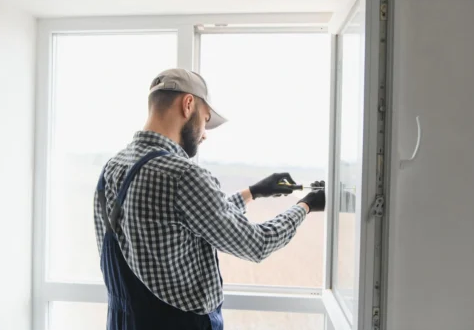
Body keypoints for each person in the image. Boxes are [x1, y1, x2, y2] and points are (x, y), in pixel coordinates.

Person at [93, 68, 326, 330]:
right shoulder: (182, 174)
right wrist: (305, 205)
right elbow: (257, 244)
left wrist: (253, 192)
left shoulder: (112, 168)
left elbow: (186, 220)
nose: (204, 134)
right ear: (188, 104)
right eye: (204, 120)